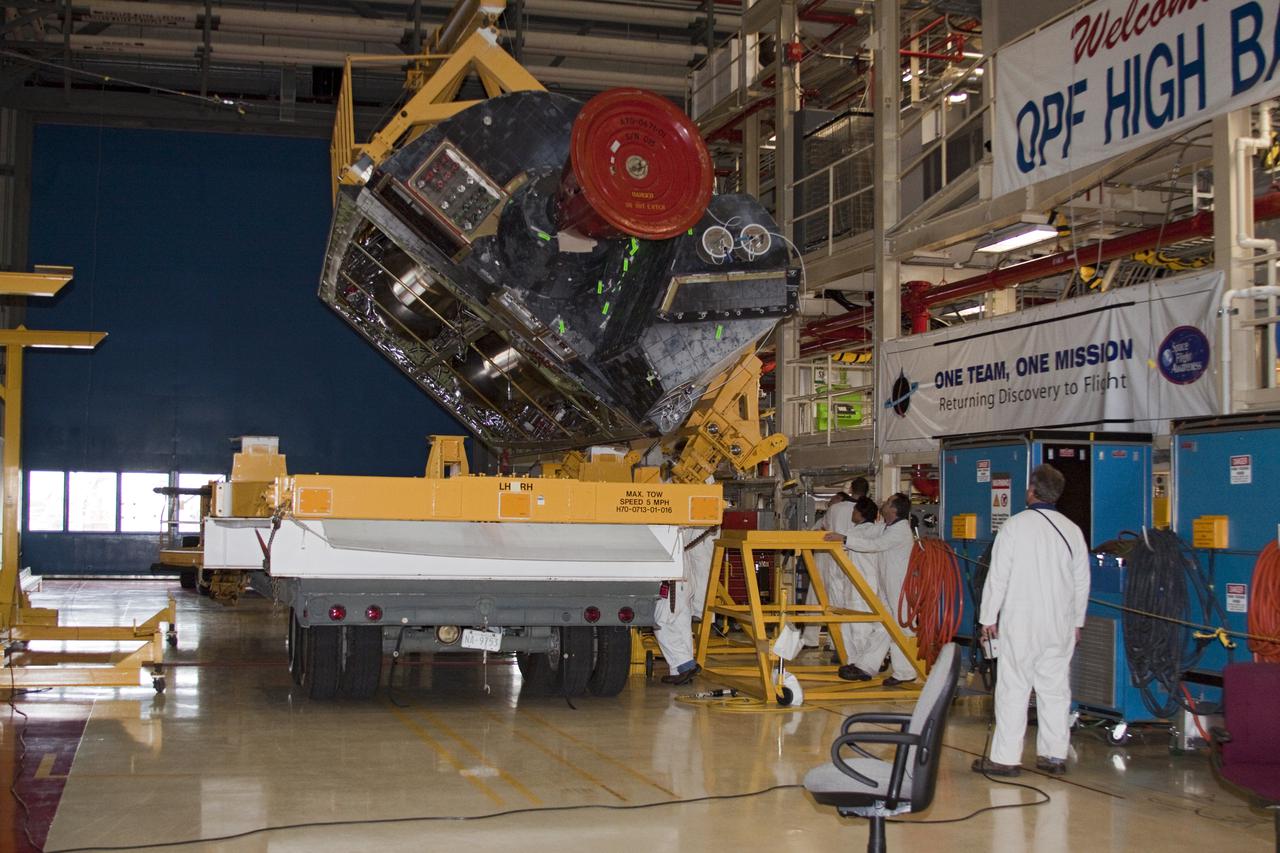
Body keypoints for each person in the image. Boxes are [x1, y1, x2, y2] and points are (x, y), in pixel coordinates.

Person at [971, 464, 1089, 777]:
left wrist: (987, 618)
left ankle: (1006, 759)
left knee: (1014, 688)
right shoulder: (1072, 531)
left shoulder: (1015, 526)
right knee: (1055, 689)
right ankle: (1053, 755)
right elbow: (1081, 581)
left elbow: (998, 577)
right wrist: (1077, 622)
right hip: (1060, 625)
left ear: (1031, 491)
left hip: (1021, 622)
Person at [832, 492, 919, 687]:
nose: (884, 503)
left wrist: (845, 539)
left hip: (900, 590)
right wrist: (843, 536)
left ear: (894, 509)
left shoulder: (900, 531)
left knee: (899, 630)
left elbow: (875, 545)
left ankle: (903, 671)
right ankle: (868, 666)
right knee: (885, 627)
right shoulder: (887, 527)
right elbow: (869, 534)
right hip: (888, 589)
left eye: (888, 502)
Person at [654, 525, 720, 685]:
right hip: (684, 577)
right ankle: (680, 671)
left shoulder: (672, 521)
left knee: (662, 623)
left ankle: (683, 665)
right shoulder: (693, 520)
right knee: (681, 624)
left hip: (674, 578)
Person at [803, 493, 855, 648]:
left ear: (840, 500)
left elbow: (814, 534)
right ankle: (828, 642)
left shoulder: (836, 512)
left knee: (824, 601)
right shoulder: (852, 514)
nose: (829, 503)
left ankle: (826, 641)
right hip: (833, 563)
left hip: (829, 563)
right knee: (831, 602)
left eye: (832, 500)